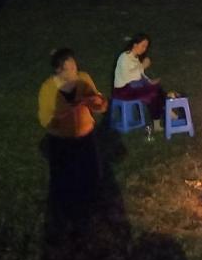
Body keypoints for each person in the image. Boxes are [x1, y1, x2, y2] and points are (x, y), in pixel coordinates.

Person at [39, 48, 108, 205]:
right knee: (65, 177)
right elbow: (46, 119)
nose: (74, 72)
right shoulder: (49, 88)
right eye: (69, 69)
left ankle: (92, 201)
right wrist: (69, 109)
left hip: (86, 134)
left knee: (91, 172)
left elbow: (99, 105)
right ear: (58, 71)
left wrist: (98, 102)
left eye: (75, 67)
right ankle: (66, 205)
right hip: (61, 140)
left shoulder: (83, 79)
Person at [112, 33, 166, 129]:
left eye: (146, 47)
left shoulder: (135, 58)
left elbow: (140, 75)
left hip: (133, 87)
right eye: (143, 46)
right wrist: (143, 66)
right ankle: (160, 119)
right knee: (153, 92)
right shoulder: (124, 57)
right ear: (135, 44)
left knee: (157, 88)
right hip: (123, 90)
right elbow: (127, 76)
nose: (144, 49)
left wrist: (149, 81)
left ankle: (165, 114)